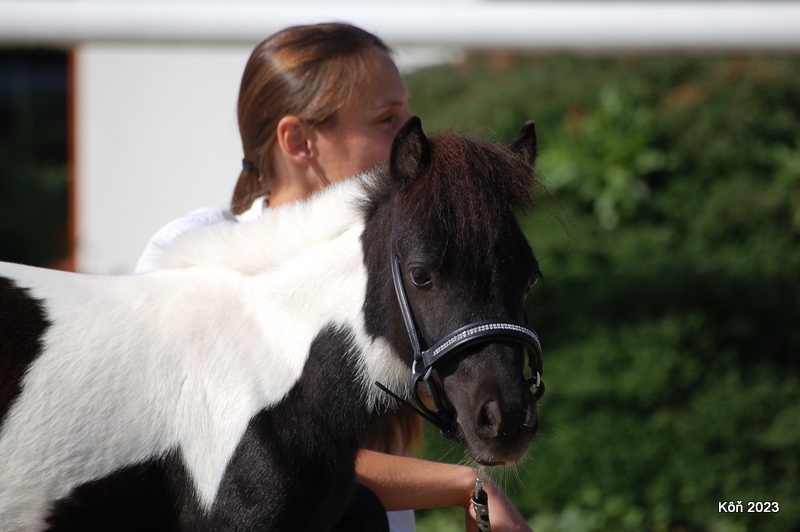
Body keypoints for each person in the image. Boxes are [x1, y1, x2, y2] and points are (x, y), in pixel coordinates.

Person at [137, 22, 532, 532]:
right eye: (387, 119)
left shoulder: (394, 274)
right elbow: (252, 449)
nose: (414, 136)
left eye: (408, 115)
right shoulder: (195, 252)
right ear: (299, 141)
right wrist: (466, 485)